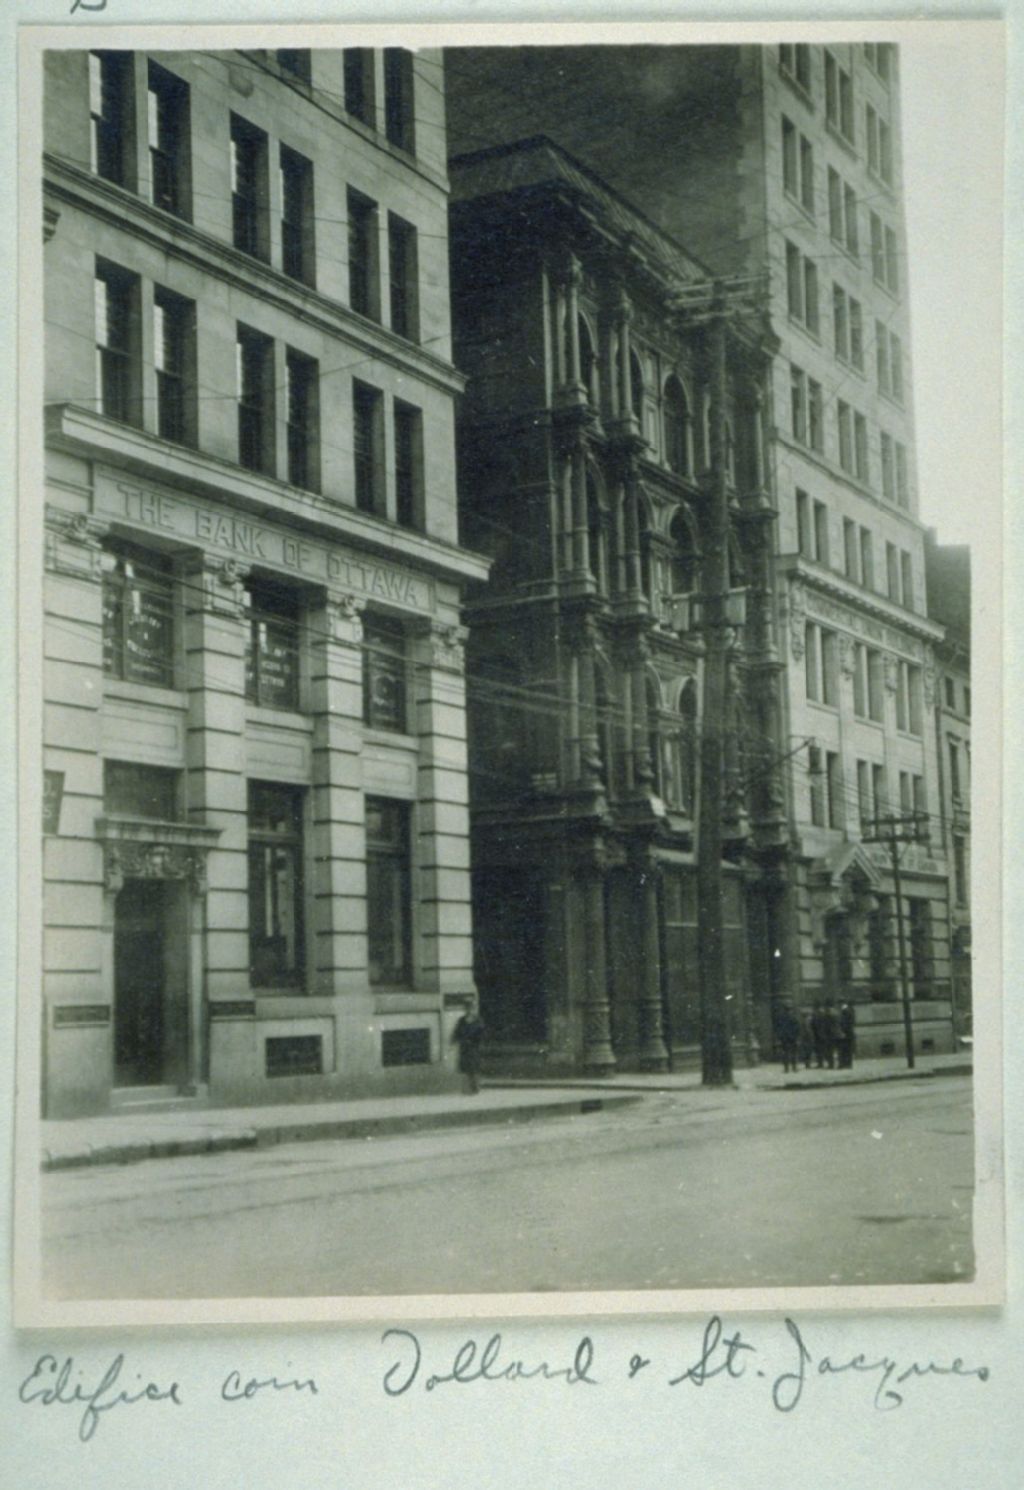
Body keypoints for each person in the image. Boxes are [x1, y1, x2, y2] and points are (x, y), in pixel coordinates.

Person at [452, 1005, 485, 1095]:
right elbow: (456, 1032)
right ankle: (466, 1089)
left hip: (473, 1047)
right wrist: (454, 1040)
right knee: (465, 1068)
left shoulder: (478, 1021)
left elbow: (481, 1034)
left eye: (471, 1009)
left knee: (473, 1067)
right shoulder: (462, 1020)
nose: (469, 1011)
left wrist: (478, 1042)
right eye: (467, 1009)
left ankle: (475, 1087)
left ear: (474, 1010)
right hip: (464, 1047)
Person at [775, 999, 801, 1074]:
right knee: (793, 1053)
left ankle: (786, 1068)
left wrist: (780, 1036)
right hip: (792, 1037)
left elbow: (778, 1027)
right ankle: (794, 1068)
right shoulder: (793, 1017)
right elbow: (797, 1028)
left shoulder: (781, 1017)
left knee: (786, 1053)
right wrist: (797, 1037)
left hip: (785, 1038)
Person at [838, 1001, 856, 1069]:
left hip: (847, 1033)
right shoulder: (848, 1011)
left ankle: (846, 1064)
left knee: (846, 1049)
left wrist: (843, 1032)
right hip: (848, 1033)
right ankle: (847, 1064)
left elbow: (846, 1023)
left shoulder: (846, 1012)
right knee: (847, 1049)